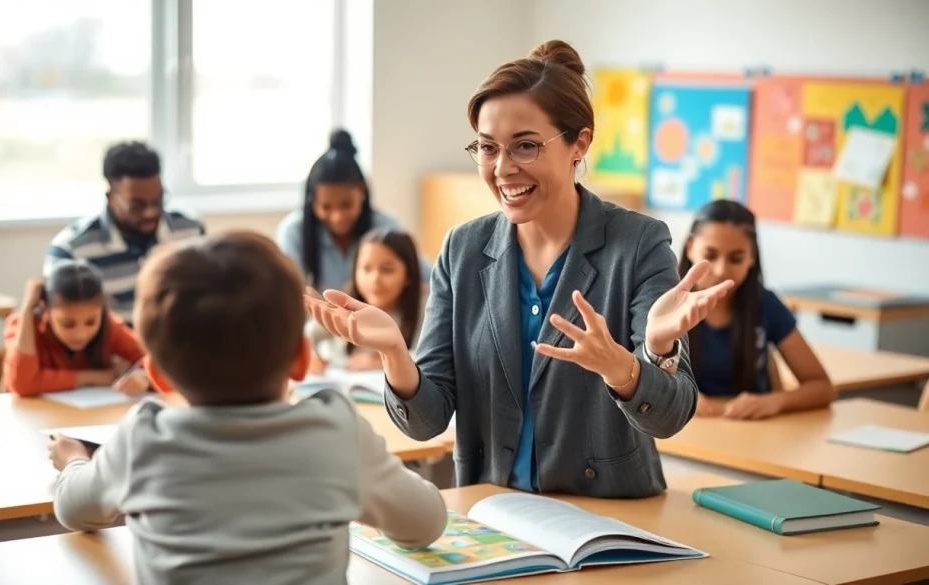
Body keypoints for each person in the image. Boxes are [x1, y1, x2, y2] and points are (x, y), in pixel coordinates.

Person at [306, 40, 734, 499]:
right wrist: (395, 353)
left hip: (608, 519)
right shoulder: (463, 249)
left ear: (579, 144)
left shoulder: (639, 244)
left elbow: (669, 419)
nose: (503, 169)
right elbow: (426, 422)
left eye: (525, 146)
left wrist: (638, 359)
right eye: (488, 149)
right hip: (494, 516)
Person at [47, 231, 446, 584]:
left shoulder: (143, 438)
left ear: (158, 374)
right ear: (301, 359)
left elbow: (73, 509)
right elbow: (425, 523)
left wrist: (74, 461)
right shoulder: (334, 432)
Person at [680, 200, 835, 419]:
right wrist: (675, 397)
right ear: (689, 248)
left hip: (752, 433)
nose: (721, 270)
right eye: (710, 255)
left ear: (752, 257)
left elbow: (822, 387)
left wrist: (776, 401)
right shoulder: (663, 303)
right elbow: (630, 376)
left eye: (736, 258)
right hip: (684, 434)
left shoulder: (765, 304)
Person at [44, 141, 206, 323]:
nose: (150, 212)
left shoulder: (191, 234)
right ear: (110, 197)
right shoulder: (72, 249)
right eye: (137, 206)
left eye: (158, 200)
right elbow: (61, 327)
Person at [276, 129, 431, 292]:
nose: (337, 217)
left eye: (346, 205)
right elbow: (289, 292)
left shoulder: (386, 227)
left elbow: (431, 278)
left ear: (363, 193)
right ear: (312, 202)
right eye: (326, 207)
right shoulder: (293, 232)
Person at [3, 260, 152, 397]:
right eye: (68, 324)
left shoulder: (109, 326)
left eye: (91, 322)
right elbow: (23, 383)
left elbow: (161, 361)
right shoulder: (23, 325)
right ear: (45, 310)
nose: (80, 334)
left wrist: (144, 377)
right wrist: (28, 308)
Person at [308, 228, 426, 374]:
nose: (375, 279)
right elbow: (310, 332)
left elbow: (431, 356)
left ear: (409, 275)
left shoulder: (425, 309)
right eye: (366, 269)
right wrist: (313, 355)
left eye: (387, 270)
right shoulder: (344, 303)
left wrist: (379, 363)